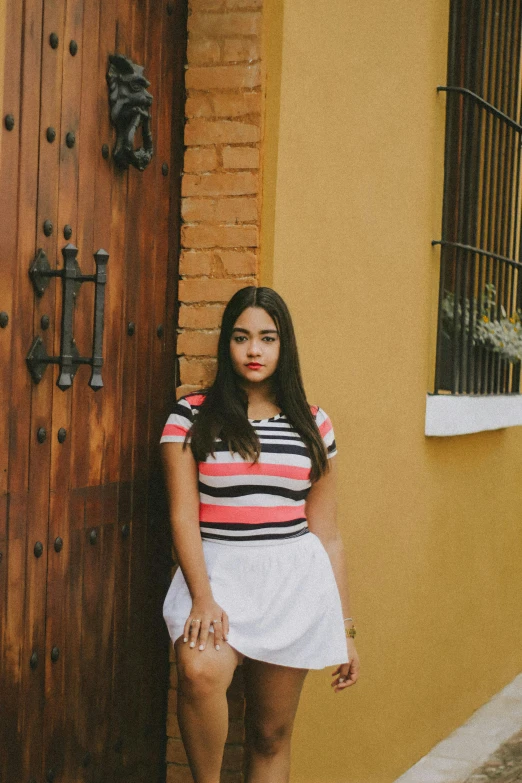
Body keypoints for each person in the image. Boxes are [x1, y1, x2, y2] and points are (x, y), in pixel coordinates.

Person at [160, 286, 360, 783]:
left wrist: (346, 627)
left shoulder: (313, 424)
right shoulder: (190, 417)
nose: (254, 350)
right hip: (216, 576)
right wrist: (202, 599)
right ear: (227, 345)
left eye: (267, 338)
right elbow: (183, 516)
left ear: (283, 345)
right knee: (199, 673)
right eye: (242, 337)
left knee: (270, 736)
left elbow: (327, 533)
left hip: (291, 583)